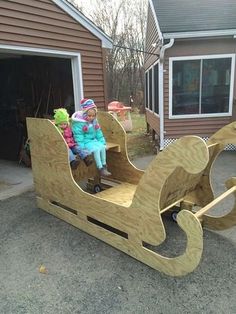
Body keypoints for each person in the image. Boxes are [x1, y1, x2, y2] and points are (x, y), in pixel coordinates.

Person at [71, 99, 111, 176]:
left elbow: (99, 133)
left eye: (93, 116)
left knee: (102, 147)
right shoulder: (79, 123)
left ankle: (104, 165)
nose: (91, 118)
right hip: (86, 142)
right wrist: (82, 148)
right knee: (96, 150)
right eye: (89, 116)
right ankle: (100, 168)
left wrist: (103, 143)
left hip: (94, 141)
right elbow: (79, 137)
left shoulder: (94, 122)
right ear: (85, 114)